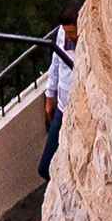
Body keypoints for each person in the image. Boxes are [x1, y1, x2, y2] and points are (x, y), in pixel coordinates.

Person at [39, 19, 74, 182]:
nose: (69, 36)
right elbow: (56, 64)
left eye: (72, 32)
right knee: (45, 168)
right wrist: (50, 95)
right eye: (66, 32)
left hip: (76, 111)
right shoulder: (62, 33)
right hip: (61, 108)